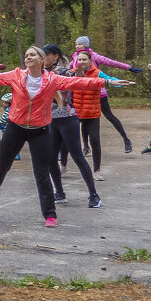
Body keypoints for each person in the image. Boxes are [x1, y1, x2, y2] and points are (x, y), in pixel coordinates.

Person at [0, 46, 111, 227]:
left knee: (41, 173)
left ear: (42, 60)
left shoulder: (52, 79)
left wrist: (107, 83)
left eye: (32, 54)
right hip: (15, 128)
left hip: (39, 130)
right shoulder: (16, 75)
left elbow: (80, 83)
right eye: (26, 55)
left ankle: (50, 214)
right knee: (0, 168)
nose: (28, 57)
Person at [40, 45, 101, 209]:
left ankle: (94, 195)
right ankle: (59, 193)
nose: (44, 58)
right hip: (51, 121)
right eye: (42, 55)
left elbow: (78, 77)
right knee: (51, 158)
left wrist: (80, 71)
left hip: (68, 119)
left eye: (47, 55)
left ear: (56, 57)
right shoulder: (39, 73)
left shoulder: (64, 72)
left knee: (77, 157)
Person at [70, 37, 143, 154]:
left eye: (80, 44)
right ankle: (86, 147)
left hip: (98, 92)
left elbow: (111, 62)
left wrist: (129, 67)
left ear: (86, 45)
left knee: (109, 116)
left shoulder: (94, 56)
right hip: (83, 93)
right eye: (76, 44)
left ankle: (126, 140)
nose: (77, 46)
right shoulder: (74, 57)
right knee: (83, 119)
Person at [71, 52, 132, 180]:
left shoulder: (97, 73)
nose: (81, 62)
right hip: (76, 112)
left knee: (95, 140)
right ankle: (63, 166)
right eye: (79, 59)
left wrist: (121, 82)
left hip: (92, 112)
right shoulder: (72, 72)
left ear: (90, 61)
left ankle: (97, 170)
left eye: (84, 59)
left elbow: (108, 79)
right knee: (66, 140)